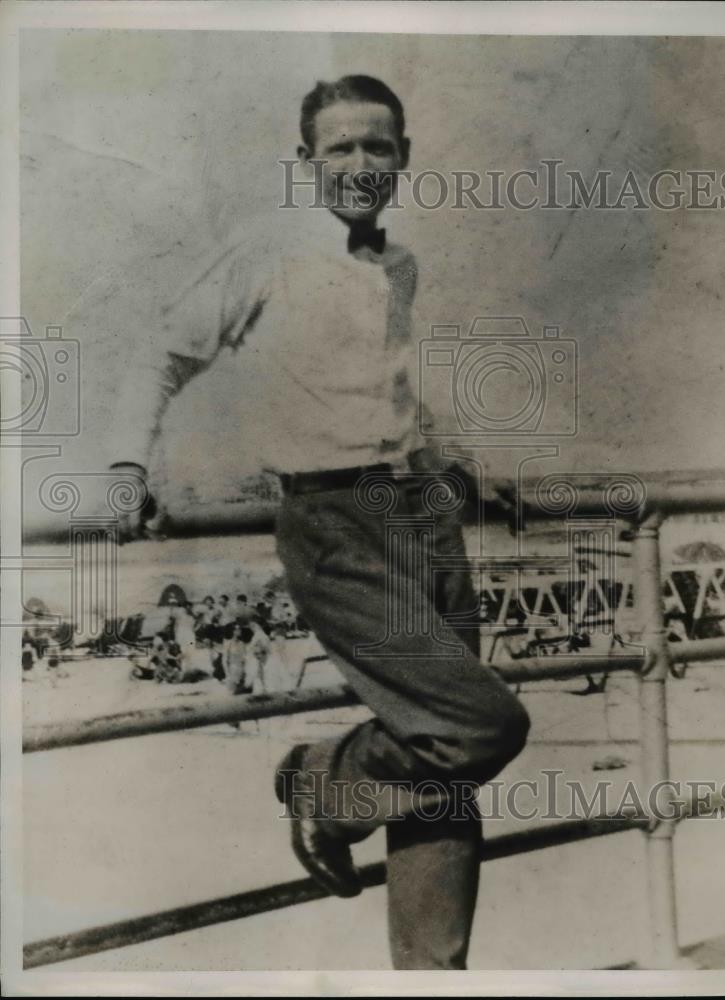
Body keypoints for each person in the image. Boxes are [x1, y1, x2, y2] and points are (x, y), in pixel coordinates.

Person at [110, 74, 529, 970]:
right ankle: (324, 782)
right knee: (477, 727)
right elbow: (164, 348)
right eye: (339, 148)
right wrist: (127, 468)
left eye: (379, 146)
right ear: (306, 164)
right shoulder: (269, 247)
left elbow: (389, 393)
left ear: (404, 157)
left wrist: (462, 469)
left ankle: (430, 972)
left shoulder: (399, 264)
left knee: (440, 762)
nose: (361, 164)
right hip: (336, 522)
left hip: (425, 514)